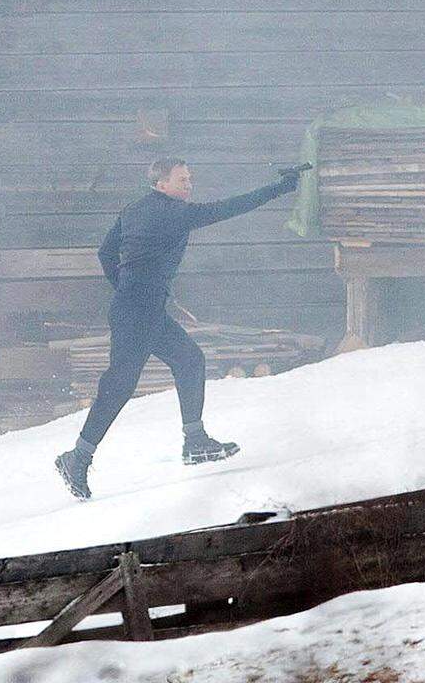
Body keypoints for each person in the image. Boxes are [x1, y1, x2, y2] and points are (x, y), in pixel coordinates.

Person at [55, 157, 306, 499]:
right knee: (119, 385)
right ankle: (78, 457)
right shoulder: (173, 213)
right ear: (161, 184)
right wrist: (280, 188)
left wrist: (129, 287)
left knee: (189, 360)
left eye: (190, 178)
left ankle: (195, 441)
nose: (189, 184)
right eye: (182, 179)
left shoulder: (134, 209)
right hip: (139, 311)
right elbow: (230, 208)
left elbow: (105, 253)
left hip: (140, 309)